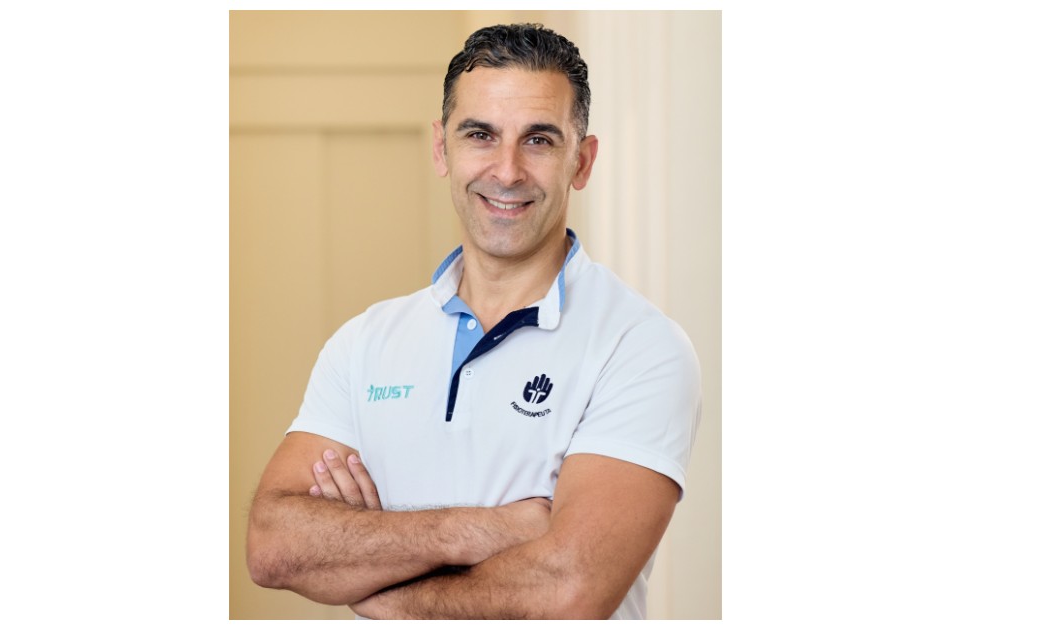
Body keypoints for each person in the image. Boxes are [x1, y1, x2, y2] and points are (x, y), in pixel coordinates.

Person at [246, 23, 701, 620]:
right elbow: (273, 544)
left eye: (538, 140)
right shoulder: (365, 343)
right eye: (480, 135)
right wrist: (482, 529)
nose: (507, 171)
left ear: (582, 160)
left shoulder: (640, 348)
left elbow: (567, 590)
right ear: (441, 149)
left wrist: (373, 582)